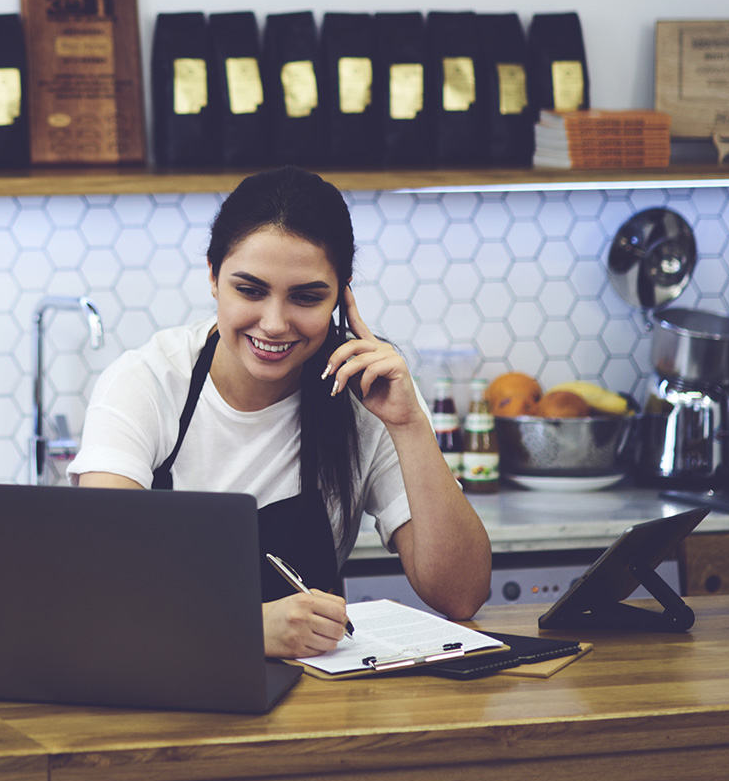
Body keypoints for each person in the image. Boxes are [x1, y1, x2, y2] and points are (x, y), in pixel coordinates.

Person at [69, 167, 491, 658]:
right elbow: (98, 586)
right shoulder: (145, 383)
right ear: (212, 276)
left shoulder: (370, 391)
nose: (274, 324)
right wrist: (243, 626)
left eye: (307, 297)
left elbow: (462, 595)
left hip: (321, 704)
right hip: (165, 685)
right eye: (249, 290)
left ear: (341, 295)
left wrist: (409, 425)